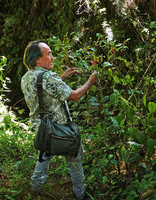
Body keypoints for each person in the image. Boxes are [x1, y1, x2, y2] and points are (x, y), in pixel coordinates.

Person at [21, 40, 98, 200]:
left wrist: (61, 77)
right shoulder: (48, 77)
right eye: (48, 54)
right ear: (37, 59)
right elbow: (75, 96)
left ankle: (35, 189)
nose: (52, 57)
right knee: (74, 160)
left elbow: (42, 89)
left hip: (43, 129)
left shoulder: (26, 77)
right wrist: (90, 81)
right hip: (60, 130)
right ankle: (80, 194)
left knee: (44, 156)